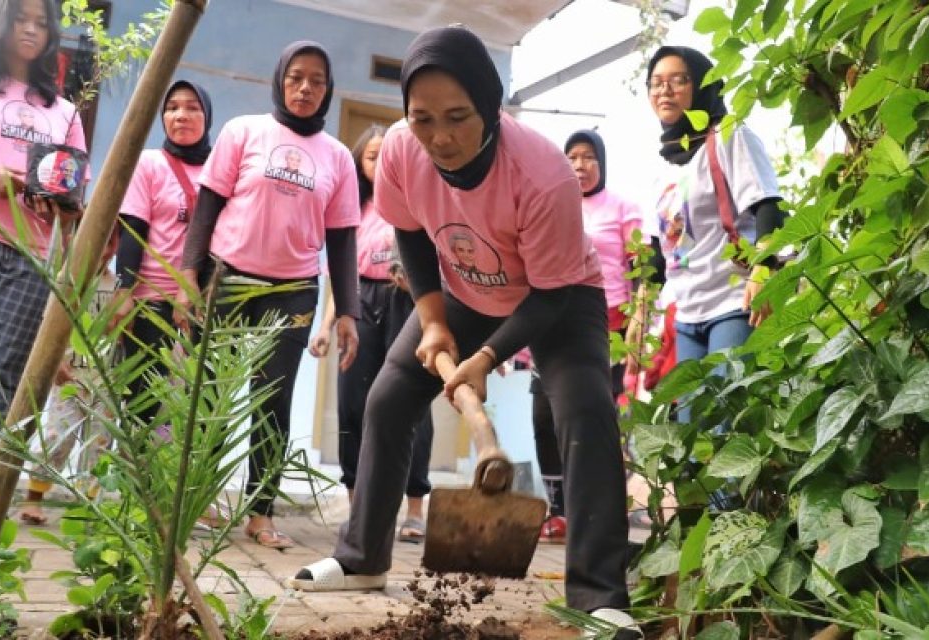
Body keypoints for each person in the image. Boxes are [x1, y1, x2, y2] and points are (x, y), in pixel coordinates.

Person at [289, 26, 640, 637]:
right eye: (422, 118)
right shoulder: (400, 149)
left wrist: (485, 356)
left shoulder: (543, 172)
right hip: (464, 290)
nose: (440, 137)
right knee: (390, 397)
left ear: (489, 105)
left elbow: (551, 291)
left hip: (558, 296)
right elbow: (411, 233)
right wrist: (430, 320)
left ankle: (601, 596)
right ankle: (361, 558)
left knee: (584, 411)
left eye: (458, 116)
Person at [178, 41, 361, 550]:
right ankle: (198, 498)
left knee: (272, 400)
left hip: (294, 291)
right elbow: (208, 205)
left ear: (328, 91)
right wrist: (190, 273)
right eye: (297, 77)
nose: (305, 88)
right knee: (209, 392)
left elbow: (343, 237)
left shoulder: (339, 158)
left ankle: (260, 513)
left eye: (317, 81)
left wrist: (348, 312)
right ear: (281, 79)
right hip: (228, 279)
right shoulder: (244, 131)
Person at [0, 0, 87, 529]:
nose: (30, 29)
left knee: (3, 372)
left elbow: (74, 186)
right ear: (2, 25)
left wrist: (60, 195)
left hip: (31, 251)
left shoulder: (64, 112)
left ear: (51, 36)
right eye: (21, 19)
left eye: (41, 23)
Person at [634, 46, 784, 410]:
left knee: (723, 417)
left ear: (701, 86)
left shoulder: (729, 135)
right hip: (687, 313)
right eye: (656, 83)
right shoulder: (662, 167)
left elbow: (767, 205)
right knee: (692, 427)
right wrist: (642, 309)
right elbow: (659, 251)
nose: (664, 90)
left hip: (733, 303)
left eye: (677, 80)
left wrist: (763, 270)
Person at [308, 124, 433, 544]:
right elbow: (340, 275)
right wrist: (326, 326)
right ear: (360, 162)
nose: (379, 163)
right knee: (353, 403)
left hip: (406, 303)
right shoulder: (352, 207)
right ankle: (357, 505)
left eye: (387, 155)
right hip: (358, 302)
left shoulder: (417, 202)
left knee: (411, 402)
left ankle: (414, 509)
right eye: (372, 156)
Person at [533, 129, 644, 543]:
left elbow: (646, 268)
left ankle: (600, 512)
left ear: (602, 163)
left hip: (608, 326)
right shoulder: (547, 206)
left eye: (588, 157)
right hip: (549, 323)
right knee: (544, 417)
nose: (579, 165)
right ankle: (559, 510)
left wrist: (638, 323)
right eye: (572, 157)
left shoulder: (622, 208)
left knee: (600, 418)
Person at [111, 79, 213, 428]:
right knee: (143, 403)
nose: (181, 115)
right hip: (150, 302)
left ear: (207, 116)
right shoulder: (150, 163)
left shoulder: (220, 168)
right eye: (172, 108)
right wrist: (123, 294)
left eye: (192, 107)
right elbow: (132, 230)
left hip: (203, 304)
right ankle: (135, 483)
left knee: (199, 411)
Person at [19, 267, 117, 525]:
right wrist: (56, 362)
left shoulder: (118, 286)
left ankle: (87, 504)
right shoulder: (66, 281)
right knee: (56, 436)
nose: (104, 251)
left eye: (110, 244)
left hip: (105, 378)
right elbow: (50, 326)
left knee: (98, 444)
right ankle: (35, 495)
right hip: (70, 376)